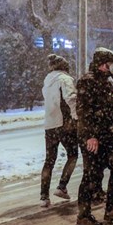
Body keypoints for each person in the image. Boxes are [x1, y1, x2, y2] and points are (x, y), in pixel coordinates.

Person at [75, 48, 113, 225]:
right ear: (103, 64)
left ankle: (112, 208)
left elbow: (109, 112)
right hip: (94, 139)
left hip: (110, 136)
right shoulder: (88, 82)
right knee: (92, 176)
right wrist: (90, 136)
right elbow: (84, 111)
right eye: (111, 63)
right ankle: (83, 216)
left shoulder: (106, 82)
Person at [39, 54, 78, 207]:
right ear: (65, 67)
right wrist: (76, 116)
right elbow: (71, 99)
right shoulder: (65, 79)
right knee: (73, 154)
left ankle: (44, 196)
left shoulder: (47, 81)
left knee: (49, 160)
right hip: (64, 124)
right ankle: (62, 186)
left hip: (50, 124)